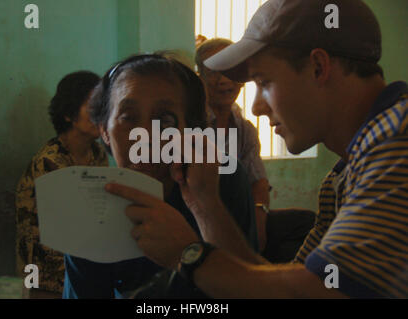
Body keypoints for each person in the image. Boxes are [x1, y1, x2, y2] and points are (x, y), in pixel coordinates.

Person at [106, 0, 408, 298]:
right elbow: (267, 288)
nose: (256, 106)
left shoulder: (397, 141)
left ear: (318, 67)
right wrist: (205, 203)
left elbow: (311, 295)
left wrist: (188, 254)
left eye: (263, 82)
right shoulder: (347, 173)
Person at [62, 54, 259, 299]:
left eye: (164, 119)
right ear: (104, 130)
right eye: (128, 118)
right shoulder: (92, 204)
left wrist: (208, 206)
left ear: (190, 129)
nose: (145, 136)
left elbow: (248, 288)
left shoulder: (222, 179)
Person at [15, 71, 108, 296]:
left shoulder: (97, 153)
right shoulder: (50, 160)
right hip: (44, 274)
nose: (101, 115)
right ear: (68, 113)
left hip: (76, 265)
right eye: (93, 106)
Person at [196, 38, 271, 253]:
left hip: (239, 217)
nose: (225, 80)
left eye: (233, 71)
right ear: (200, 76)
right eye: (215, 72)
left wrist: (258, 226)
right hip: (198, 217)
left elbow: (259, 183)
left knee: (301, 223)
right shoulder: (190, 124)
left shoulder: (245, 129)